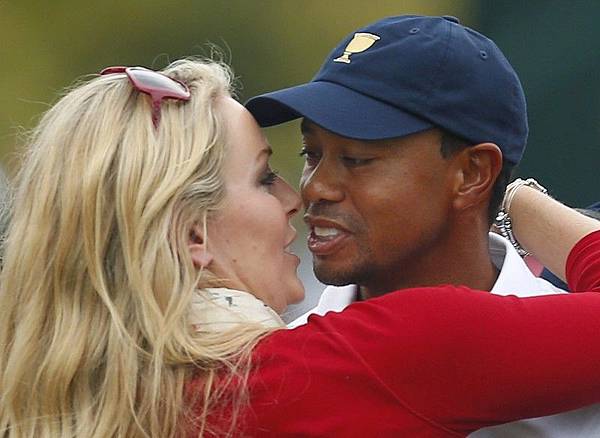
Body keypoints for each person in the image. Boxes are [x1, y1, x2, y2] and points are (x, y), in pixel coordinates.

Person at [2, 59, 600, 438]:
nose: (302, 193)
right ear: (191, 236)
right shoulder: (351, 361)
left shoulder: (45, 401)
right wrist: (519, 202)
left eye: (355, 158)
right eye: (267, 177)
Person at [245, 15, 598, 436]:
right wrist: (518, 201)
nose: (315, 187)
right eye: (311, 153)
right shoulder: (277, 371)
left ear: (472, 174)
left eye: (356, 159)